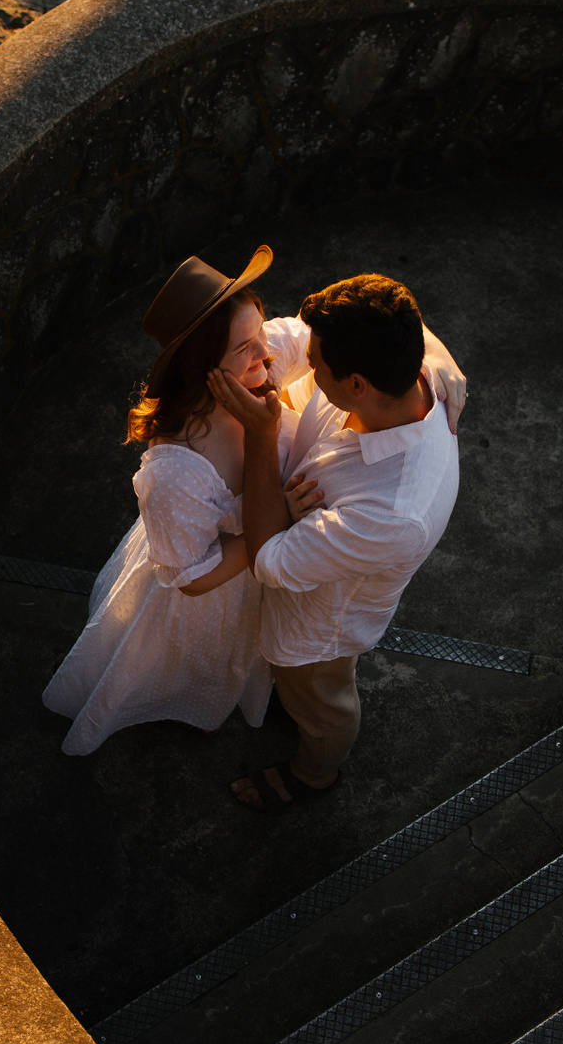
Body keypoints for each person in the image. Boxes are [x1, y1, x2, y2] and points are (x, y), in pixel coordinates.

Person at [44, 249, 466, 761]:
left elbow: (377, 330)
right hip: (210, 593)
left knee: (239, 667)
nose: (271, 355)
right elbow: (191, 578)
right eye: (247, 345)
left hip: (271, 586)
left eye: (262, 335)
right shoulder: (175, 469)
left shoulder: (263, 369)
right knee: (186, 662)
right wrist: (282, 515)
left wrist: (436, 359)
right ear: (202, 366)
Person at [208, 273, 462, 811]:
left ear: (357, 385)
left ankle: (315, 771)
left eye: (316, 364)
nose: (303, 365)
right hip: (311, 571)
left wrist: (260, 436)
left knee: (322, 704)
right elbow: (404, 321)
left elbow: (269, 561)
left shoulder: (395, 513)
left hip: (318, 627)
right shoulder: (403, 370)